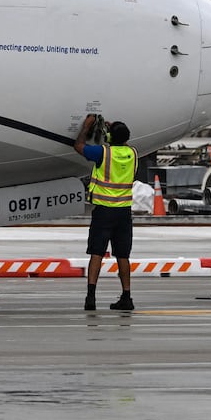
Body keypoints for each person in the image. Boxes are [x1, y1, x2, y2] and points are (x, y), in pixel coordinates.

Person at [74, 113, 137, 310]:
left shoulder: (103, 153)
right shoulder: (133, 153)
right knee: (123, 256)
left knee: (97, 253)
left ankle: (90, 298)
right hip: (124, 213)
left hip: (104, 212)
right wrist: (112, 131)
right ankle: (127, 297)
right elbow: (121, 144)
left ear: (109, 138)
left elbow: (79, 146)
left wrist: (86, 126)